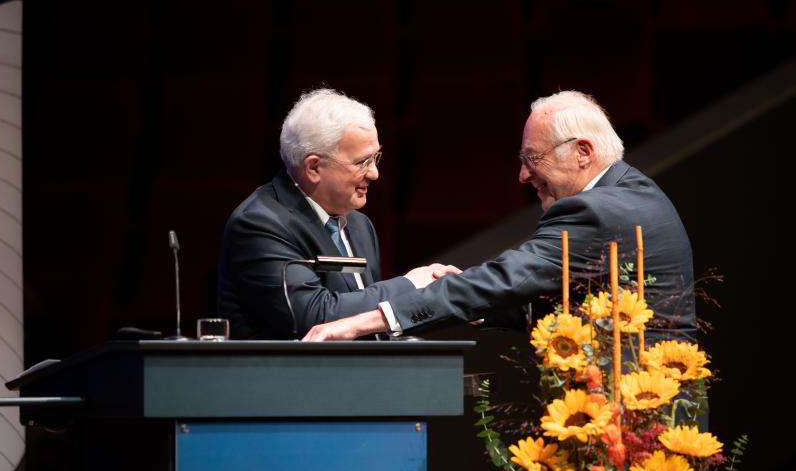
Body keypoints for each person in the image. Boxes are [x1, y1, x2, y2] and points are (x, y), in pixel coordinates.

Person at [302, 90, 696, 342]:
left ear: (583, 152)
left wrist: (364, 321)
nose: (524, 175)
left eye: (532, 159)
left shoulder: (598, 210)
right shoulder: (631, 191)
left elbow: (506, 279)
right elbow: (566, 302)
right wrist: (472, 301)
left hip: (636, 422)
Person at [218, 88, 457, 339]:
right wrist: (411, 285)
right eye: (362, 162)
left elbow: (372, 321)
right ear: (313, 167)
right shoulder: (261, 223)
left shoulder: (359, 224)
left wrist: (442, 296)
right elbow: (314, 318)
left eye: (376, 157)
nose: (375, 173)